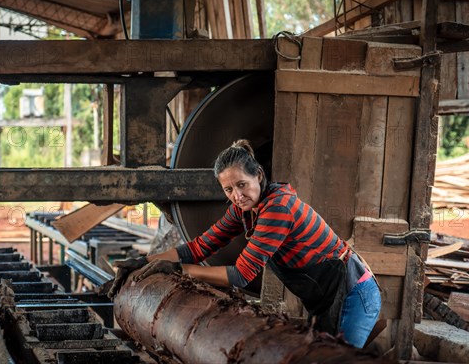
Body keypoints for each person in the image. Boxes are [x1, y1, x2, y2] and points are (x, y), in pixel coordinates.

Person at [108, 139, 381, 348]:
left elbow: (241, 275)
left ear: (259, 176)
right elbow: (199, 247)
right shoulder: (245, 210)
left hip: (353, 294)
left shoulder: (278, 207)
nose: (237, 195)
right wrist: (147, 261)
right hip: (327, 299)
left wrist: (179, 270)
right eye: (228, 190)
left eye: (242, 184)